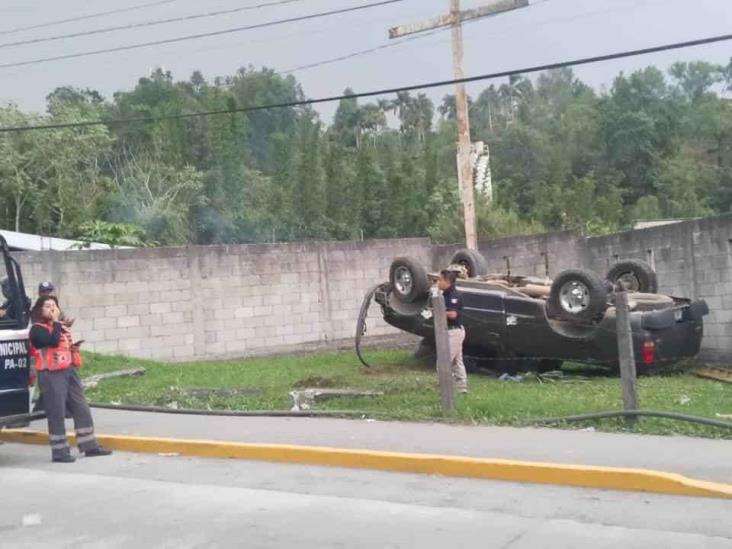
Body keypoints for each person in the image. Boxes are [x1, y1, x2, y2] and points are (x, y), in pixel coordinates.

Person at [29, 295, 111, 463]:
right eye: (47, 306)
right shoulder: (37, 329)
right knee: (57, 413)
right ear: (39, 310)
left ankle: (89, 445)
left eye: (54, 305)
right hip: (51, 375)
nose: (52, 308)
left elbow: (61, 344)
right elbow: (51, 342)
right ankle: (60, 451)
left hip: (68, 372)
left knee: (81, 407)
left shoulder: (60, 327)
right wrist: (57, 322)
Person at [437, 269, 468, 394]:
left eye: (439, 280)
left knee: (443, 361)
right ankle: (461, 388)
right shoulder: (444, 294)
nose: (437, 282)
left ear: (447, 281)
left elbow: (453, 314)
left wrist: (437, 312)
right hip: (449, 331)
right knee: (457, 362)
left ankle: (445, 388)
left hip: (454, 332)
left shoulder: (453, 295)